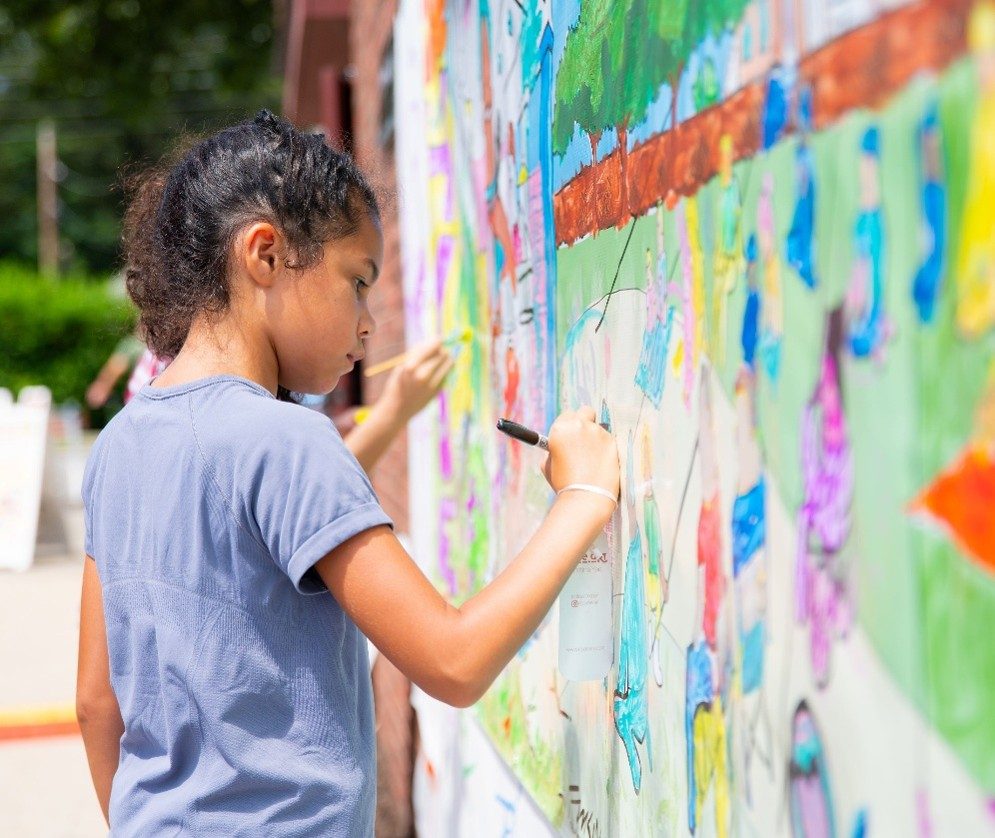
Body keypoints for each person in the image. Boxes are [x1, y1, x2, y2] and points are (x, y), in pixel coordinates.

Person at [75, 110, 620, 835]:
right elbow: (453, 661)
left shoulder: (119, 444)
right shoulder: (288, 439)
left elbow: (95, 703)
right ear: (264, 255)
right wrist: (583, 496)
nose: (367, 322)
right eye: (356, 282)